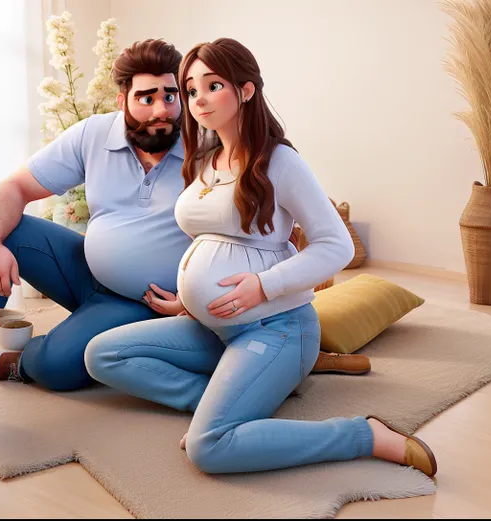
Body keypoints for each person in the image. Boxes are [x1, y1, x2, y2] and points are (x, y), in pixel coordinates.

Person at [85, 38, 437, 477]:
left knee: (209, 449)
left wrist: (263, 286)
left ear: (246, 90)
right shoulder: (207, 160)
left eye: (212, 86)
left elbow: (336, 245)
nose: (197, 101)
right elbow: (213, 240)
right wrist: (189, 301)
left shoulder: (279, 161)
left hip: (278, 329)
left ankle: (364, 435)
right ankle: (219, 402)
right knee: (101, 355)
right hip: (211, 326)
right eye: (191, 90)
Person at [0, 39, 193, 453]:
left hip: (145, 300)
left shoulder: (208, 146)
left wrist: (193, 301)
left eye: (170, 95)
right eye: (147, 97)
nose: (161, 110)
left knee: (56, 368)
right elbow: (13, 187)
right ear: (123, 100)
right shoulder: (95, 134)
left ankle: (24, 359)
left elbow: (242, 238)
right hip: (84, 270)